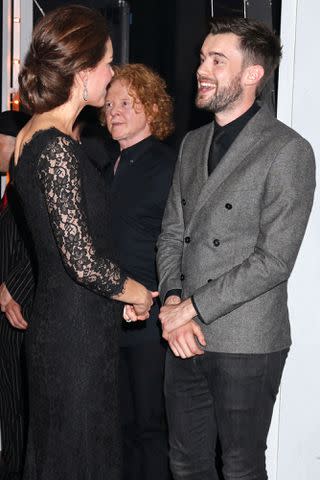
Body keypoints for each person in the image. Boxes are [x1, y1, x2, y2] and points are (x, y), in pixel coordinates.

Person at [157, 17, 316, 480]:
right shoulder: (191, 144)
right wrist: (171, 302)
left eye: (217, 60)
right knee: (185, 464)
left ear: (252, 75)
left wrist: (192, 309)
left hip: (247, 339)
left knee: (242, 467)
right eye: (203, 58)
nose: (201, 69)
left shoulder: (289, 150)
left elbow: (274, 261)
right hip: (182, 335)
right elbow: (171, 233)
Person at [13, 6, 157, 480]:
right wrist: (136, 292)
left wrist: (111, 302)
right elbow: (80, 260)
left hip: (72, 322)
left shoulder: (33, 135)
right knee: (76, 458)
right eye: (108, 62)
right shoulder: (55, 146)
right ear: (81, 71)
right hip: (72, 336)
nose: (112, 73)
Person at [104, 63, 175, 480]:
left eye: (126, 103)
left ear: (150, 107)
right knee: (119, 430)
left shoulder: (169, 166)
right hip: (109, 318)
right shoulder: (104, 168)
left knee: (151, 429)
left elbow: (181, 243)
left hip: (150, 321)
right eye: (109, 104)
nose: (114, 111)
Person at [0, 110, 32, 480]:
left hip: (24, 312)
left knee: (24, 404)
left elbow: (39, 247)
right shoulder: (11, 188)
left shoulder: (28, 185)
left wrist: (13, 291)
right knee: (10, 405)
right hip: (8, 312)